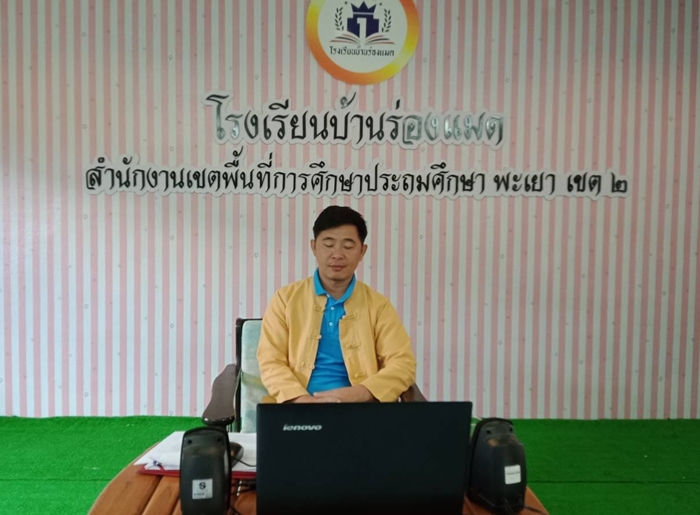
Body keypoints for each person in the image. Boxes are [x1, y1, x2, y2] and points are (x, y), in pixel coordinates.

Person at [257, 205, 417, 403]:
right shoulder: (285, 299)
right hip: (297, 407)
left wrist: (361, 393)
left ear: (362, 251)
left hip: (359, 408)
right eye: (328, 244)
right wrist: (302, 400)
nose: (337, 254)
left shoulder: (379, 306)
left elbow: (403, 363)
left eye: (348, 247)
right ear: (314, 247)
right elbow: (270, 361)